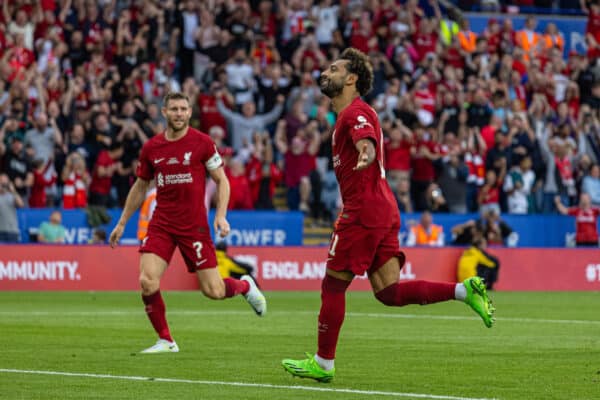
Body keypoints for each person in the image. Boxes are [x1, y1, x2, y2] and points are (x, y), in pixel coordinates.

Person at [281, 48, 495, 383]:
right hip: (382, 207)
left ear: (351, 79)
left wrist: (365, 152)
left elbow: (364, 137)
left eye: (334, 69)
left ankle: (323, 364)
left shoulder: (355, 113)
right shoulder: (347, 116)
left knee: (333, 286)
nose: (326, 72)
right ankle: (464, 291)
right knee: (388, 292)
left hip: (364, 210)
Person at [109, 92, 267, 354]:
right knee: (147, 281)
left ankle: (244, 285)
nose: (179, 114)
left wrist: (220, 215)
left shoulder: (203, 143)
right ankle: (166, 340)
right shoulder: (152, 148)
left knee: (213, 291)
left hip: (193, 226)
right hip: (161, 224)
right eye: (174, 109)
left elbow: (222, 180)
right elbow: (140, 186)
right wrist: (122, 222)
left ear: (190, 112)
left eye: (183, 109)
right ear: (164, 112)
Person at [0, 173, 24, 243]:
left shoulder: (12, 195)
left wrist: (13, 190)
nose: (3, 184)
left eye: (5, 182)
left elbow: (21, 205)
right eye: (1, 182)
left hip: (12, 231)